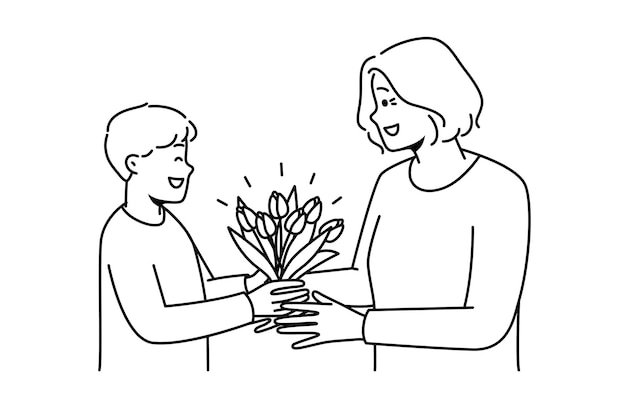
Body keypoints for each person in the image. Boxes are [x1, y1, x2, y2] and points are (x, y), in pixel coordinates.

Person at [276, 38, 530, 371]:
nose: (380, 116)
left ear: (433, 96)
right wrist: (296, 286)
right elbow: (366, 281)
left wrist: (359, 327)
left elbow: (487, 324)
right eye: (378, 103)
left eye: (391, 101)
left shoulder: (499, 189)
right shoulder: (389, 183)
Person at [99, 103, 307, 371]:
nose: (187, 169)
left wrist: (248, 283)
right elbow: (155, 324)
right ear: (134, 163)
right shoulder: (123, 236)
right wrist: (251, 306)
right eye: (175, 159)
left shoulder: (172, 226)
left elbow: (196, 289)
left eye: (184, 159)